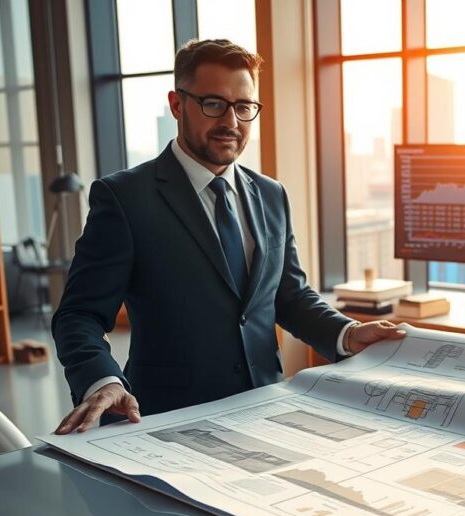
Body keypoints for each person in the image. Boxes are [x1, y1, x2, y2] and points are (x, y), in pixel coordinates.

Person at [53, 39, 403, 434]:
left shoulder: (271, 194)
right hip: (166, 419)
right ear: (176, 104)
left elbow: (288, 295)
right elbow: (78, 315)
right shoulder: (124, 197)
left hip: (265, 408)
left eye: (244, 107)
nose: (232, 123)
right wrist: (104, 380)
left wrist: (348, 333)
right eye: (214, 104)